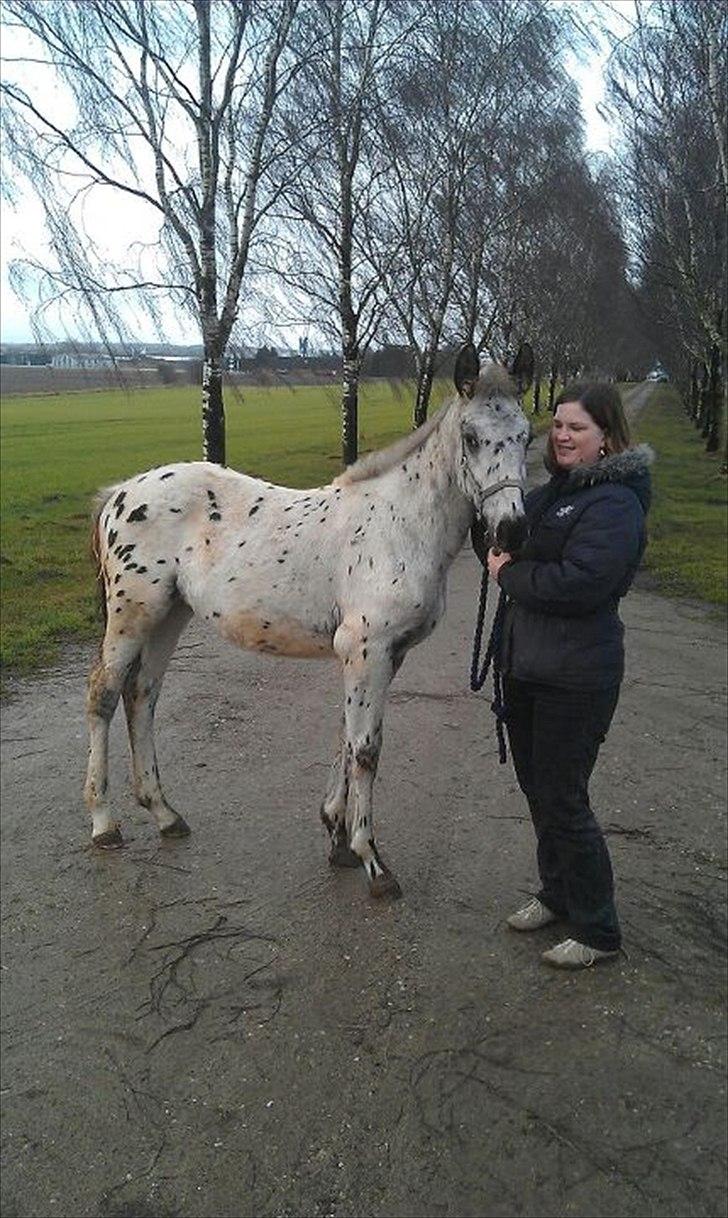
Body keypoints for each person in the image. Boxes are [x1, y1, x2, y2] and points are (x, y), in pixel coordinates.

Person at [475, 382, 653, 969]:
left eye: (576, 427)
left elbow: (581, 584)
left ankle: (600, 929)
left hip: (576, 678)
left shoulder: (616, 502)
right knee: (540, 792)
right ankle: (557, 894)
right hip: (530, 668)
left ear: (606, 437)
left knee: (564, 798)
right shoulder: (557, 492)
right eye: (557, 425)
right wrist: (496, 542)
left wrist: (509, 578)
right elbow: (514, 546)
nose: (562, 435)